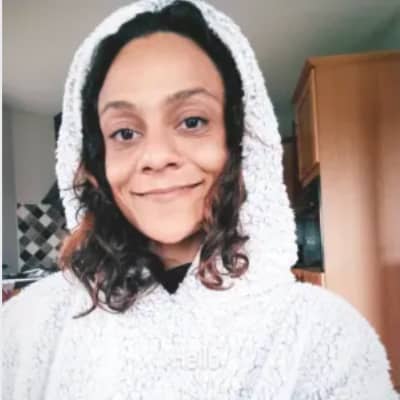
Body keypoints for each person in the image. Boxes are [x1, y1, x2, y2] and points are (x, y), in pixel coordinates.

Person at [2, 0, 397, 399]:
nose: (157, 156)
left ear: (238, 140)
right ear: (98, 160)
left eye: (192, 121)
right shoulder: (25, 328)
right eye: (125, 133)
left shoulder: (326, 338)